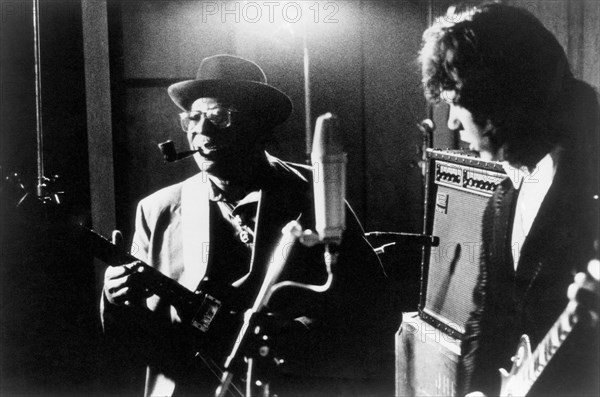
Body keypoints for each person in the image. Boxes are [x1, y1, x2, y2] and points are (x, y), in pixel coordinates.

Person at [101, 54, 396, 396]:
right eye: (193, 118)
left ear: (259, 126)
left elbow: (373, 306)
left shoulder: (314, 195)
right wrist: (114, 296)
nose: (202, 131)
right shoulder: (157, 211)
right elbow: (135, 340)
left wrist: (289, 340)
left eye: (219, 117)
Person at [418, 3, 599, 396]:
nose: (451, 122)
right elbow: (486, 318)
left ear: (499, 97)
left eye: (456, 102)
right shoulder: (502, 197)